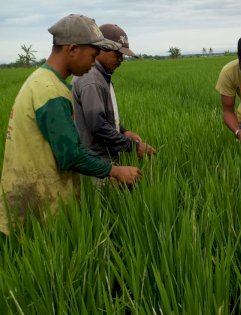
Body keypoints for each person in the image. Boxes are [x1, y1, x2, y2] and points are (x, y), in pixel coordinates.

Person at [0, 14, 142, 235]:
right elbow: (70, 155)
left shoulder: (41, 81)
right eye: (93, 55)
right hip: (42, 202)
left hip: (34, 194)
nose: (93, 63)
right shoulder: (50, 92)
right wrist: (115, 171)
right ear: (73, 49)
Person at [73, 24, 156, 162]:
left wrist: (123, 131)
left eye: (122, 54)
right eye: (117, 53)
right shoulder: (92, 79)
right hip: (96, 161)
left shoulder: (101, 75)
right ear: (100, 48)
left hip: (102, 158)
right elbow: (97, 125)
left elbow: (103, 117)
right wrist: (134, 147)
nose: (121, 59)